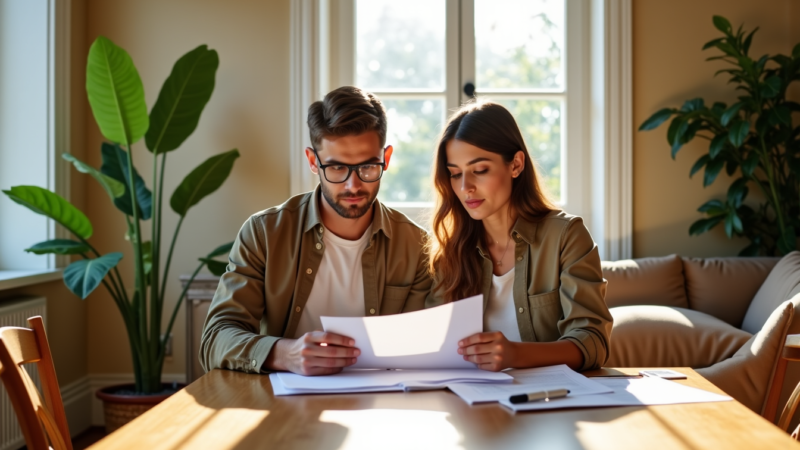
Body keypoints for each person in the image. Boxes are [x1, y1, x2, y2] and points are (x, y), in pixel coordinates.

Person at [200, 86, 432, 376]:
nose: (353, 185)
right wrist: (285, 354)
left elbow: (423, 349)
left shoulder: (417, 246)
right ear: (313, 162)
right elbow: (215, 338)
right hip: (281, 403)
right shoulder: (264, 234)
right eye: (336, 168)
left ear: (385, 159)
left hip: (380, 404)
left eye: (368, 167)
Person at [426, 101, 612, 372]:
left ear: (515, 164)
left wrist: (516, 355)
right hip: (472, 401)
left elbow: (593, 342)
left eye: (479, 170)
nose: (465, 187)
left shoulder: (566, 237)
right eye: (455, 174)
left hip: (552, 402)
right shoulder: (450, 249)